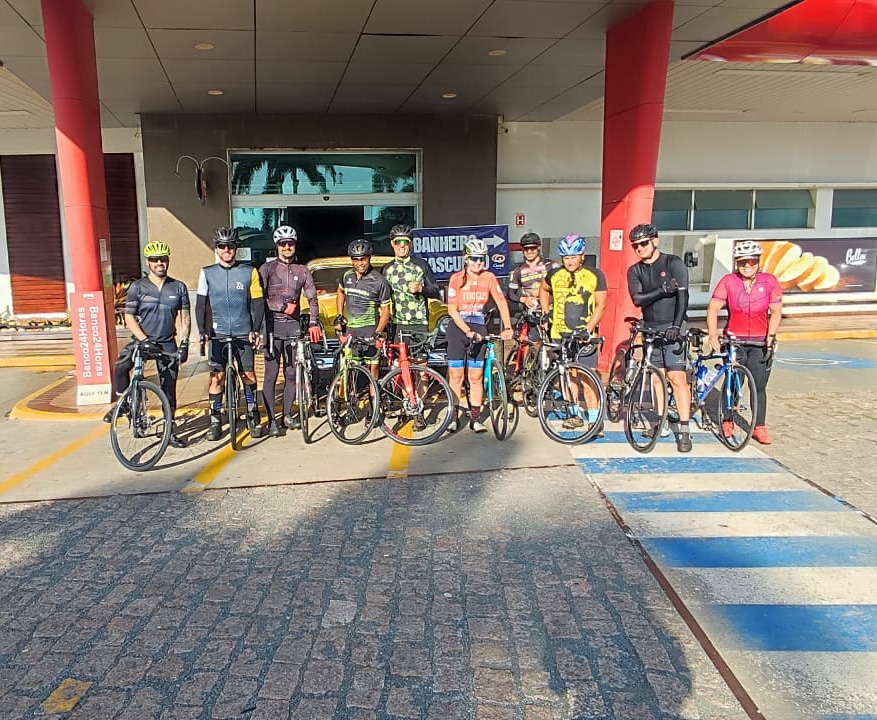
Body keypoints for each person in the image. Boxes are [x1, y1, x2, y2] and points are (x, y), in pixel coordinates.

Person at [103, 241, 190, 449]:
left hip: (167, 342)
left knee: (168, 387)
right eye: (155, 260)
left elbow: (185, 317)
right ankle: (124, 403)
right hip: (143, 340)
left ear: (168, 260)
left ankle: (169, 430)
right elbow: (129, 317)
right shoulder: (138, 287)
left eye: (163, 259)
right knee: (121, 366)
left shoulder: (178, 287)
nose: (159, 263)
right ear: (148, 263)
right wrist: (143, 339)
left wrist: (185, 343)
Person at [707, 240, 782, 445]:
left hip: (760, 342)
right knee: (733, 382)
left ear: (758, 262)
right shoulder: (729, 281)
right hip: (735, 340)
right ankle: (727, 420)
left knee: (758, 386)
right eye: (742, 262)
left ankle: (759, 426)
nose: (747, 266)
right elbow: (713, 308)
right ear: (736, 263)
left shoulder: (769, 281)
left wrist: (771, 336)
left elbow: (776, 311)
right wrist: (713, 335)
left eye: (751, 261)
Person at [627, 223, 693, 453]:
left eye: (643, 243)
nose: (639, 248)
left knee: (677, 378)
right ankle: (662, 422)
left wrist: (677, 325)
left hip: (673, 326)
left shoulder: (673, 263)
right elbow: (638, 299)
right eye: (635, 246)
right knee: (657, 378)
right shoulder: (635, 271)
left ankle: (684, 430)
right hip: (651, 328)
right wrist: (662, 290)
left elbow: (683, 297)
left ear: (655, 241)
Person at [195, 226, 265, 441]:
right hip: (218, 334)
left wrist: (255, 330)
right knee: (216, 378)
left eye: (230, 246)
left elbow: (258, 303)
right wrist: (202, 332)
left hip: (243, 333)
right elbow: (201, 305)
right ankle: (215, 419)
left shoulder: (249, 272)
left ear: (236, 248)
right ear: (216, 249)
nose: (226, 250)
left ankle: (252, 412)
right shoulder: (207, 273)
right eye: (222, 246)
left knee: (248, 375)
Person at [539, 234, 607, 431]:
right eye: (566, 257)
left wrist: (588, 329)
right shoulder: (554, 274)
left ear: (582, 256)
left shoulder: (595, 275)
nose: (569, 261)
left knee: (587, 377)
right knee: (569, 375)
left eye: (573, 257)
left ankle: (594, 419)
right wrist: (545, 312)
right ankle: (574, 413)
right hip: (560, 333)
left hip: (584, 335)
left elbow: (602, 305)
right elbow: (543, 290)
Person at [445, 238, 514, 433]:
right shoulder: (456, 278)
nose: (478, 263)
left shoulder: (489, 277)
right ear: (466, 259)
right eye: (474, 258)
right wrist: (467, 331)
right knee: (456, 375)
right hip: (458, 328)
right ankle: (453, 417)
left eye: (482, 259)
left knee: (475, 376)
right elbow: (452, 310)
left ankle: (475, 419)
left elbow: (501, 302)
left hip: (479, 325)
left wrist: (508, 327)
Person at [259, 225, 322, 437]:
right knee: (271, 374)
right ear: (277, 246)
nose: (287, 247)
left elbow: (313, 299)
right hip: (272, 327)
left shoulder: (302, 270)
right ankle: (271, 420)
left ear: (295, 245)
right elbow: (258, 300)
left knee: (292, 373)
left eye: (290, 243)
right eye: (283, 244)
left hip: (293, 328)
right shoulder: (267, 269)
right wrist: (281, 306)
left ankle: (286, 415)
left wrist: (313, 322)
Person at [507, 232, 557, 400]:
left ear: (539, 248)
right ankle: (531, 383)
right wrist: (524, 299)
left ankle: (552, 380)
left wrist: (546, 295)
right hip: (532, 315)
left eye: (533, 248)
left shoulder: (551, 266)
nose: (529, 252)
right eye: (526, 249)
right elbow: (511, 293)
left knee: (555, 348)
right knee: (533, 348)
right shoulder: (518, 271)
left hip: (552, 312)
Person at [334, 239, 392, 381]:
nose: (360, 263)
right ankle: (351, 395)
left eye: (363, 259)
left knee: (373, 372)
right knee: (350, 373)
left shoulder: (379, 281)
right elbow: (340, 291)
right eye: (356, 259)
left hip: (370, 331)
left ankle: (374, 395)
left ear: (369, 258)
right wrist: (339, 315)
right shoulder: (347, 276)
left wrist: (378, 333)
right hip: (351, 331)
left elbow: (386, 311)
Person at [382, 224, 441, 343]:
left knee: (419, 356)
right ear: (392, 243)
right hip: (397, 325)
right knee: (398, 355)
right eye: (398, 242)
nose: (402, 245)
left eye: (405, 242)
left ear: (411, 244)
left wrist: (421, 289)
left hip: (419, 324)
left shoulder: (421, 265)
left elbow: (435, 291)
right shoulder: (386, 269)